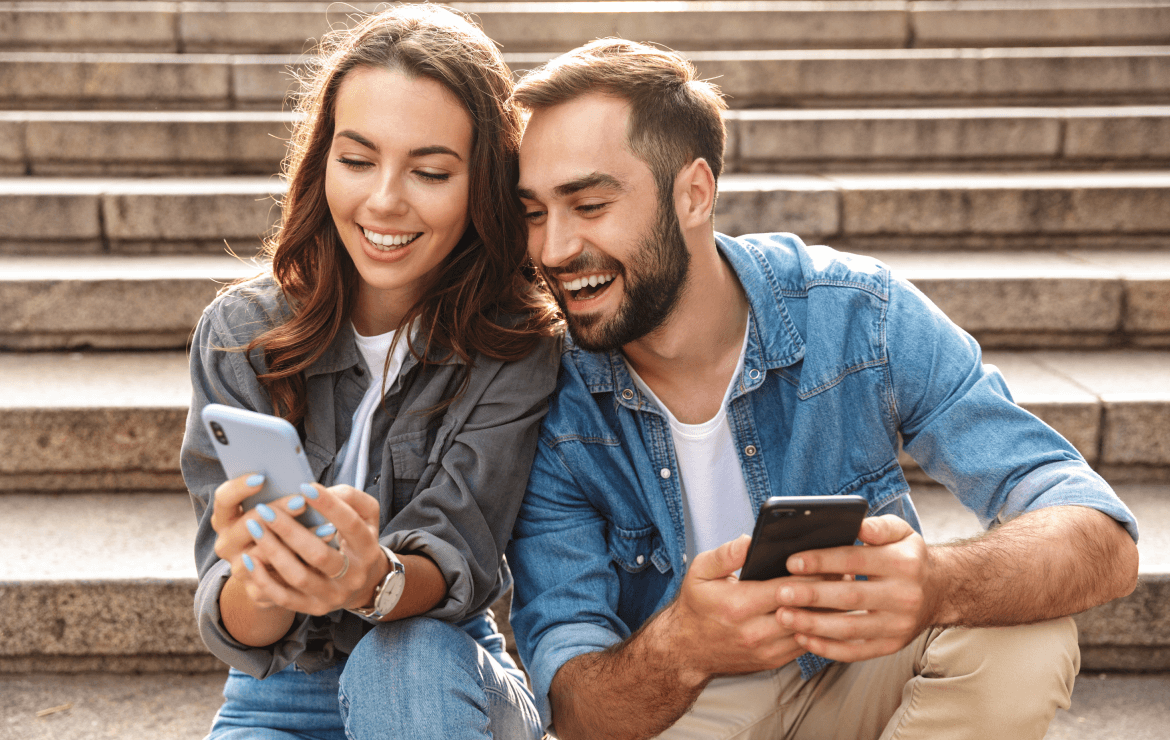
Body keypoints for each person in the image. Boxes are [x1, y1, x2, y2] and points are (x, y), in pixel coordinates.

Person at [506, 39, 1140, 740]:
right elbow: (572, 707)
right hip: (687, 708)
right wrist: (682, 643)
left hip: (853, 668)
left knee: (1026, 636)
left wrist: (935, 583)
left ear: (694, 193)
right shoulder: (546, 399)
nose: (553, 249)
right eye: (534, 212)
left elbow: (1097, 534)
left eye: (589, 204)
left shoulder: (855, 313)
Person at [179, 6, 559, 738]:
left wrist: (370, 580)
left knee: (403, 657)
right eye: (357, 161)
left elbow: (461, 560)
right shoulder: (240, 334)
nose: (385, 199)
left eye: (430, 171)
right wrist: (264, 579)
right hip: (280, 692)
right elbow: (234, 622)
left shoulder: (517, 345)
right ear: (323, 161)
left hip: (438, 668)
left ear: (482, 181)